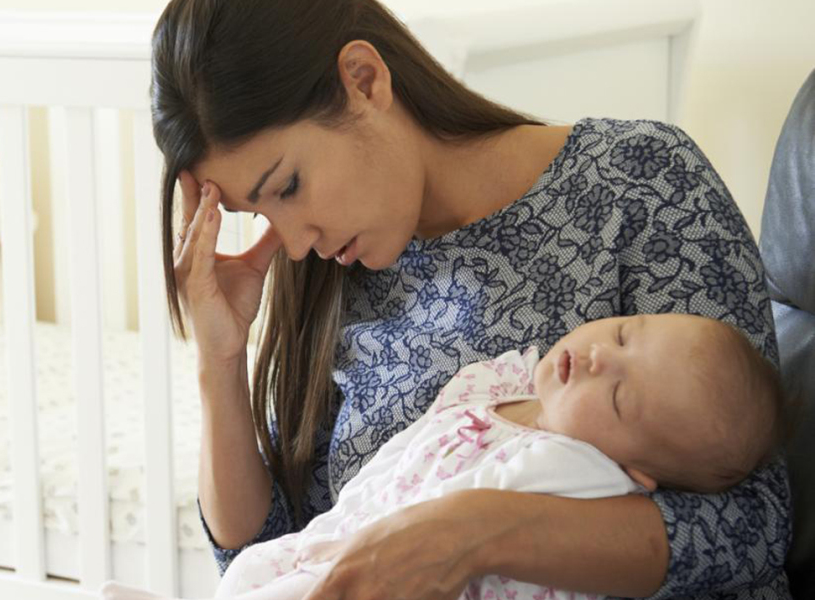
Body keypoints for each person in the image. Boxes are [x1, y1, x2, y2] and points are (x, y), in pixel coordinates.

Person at [148, 0, 792, 598]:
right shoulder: (328, 275)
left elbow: (753, 523)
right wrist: (221, 360)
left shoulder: (644, 180)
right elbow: (271, 560)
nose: (291, 243)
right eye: (252, 212)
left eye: (287, 185)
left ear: (364, 80)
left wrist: (476, 530)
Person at [100, 313, 786, 600]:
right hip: (337, 539)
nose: (603, 356)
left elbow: (757, 528)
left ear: (637, 474)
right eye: (628, 334)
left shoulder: (578, 471)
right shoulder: (506, 381)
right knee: (254, 574)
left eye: (622, 399)